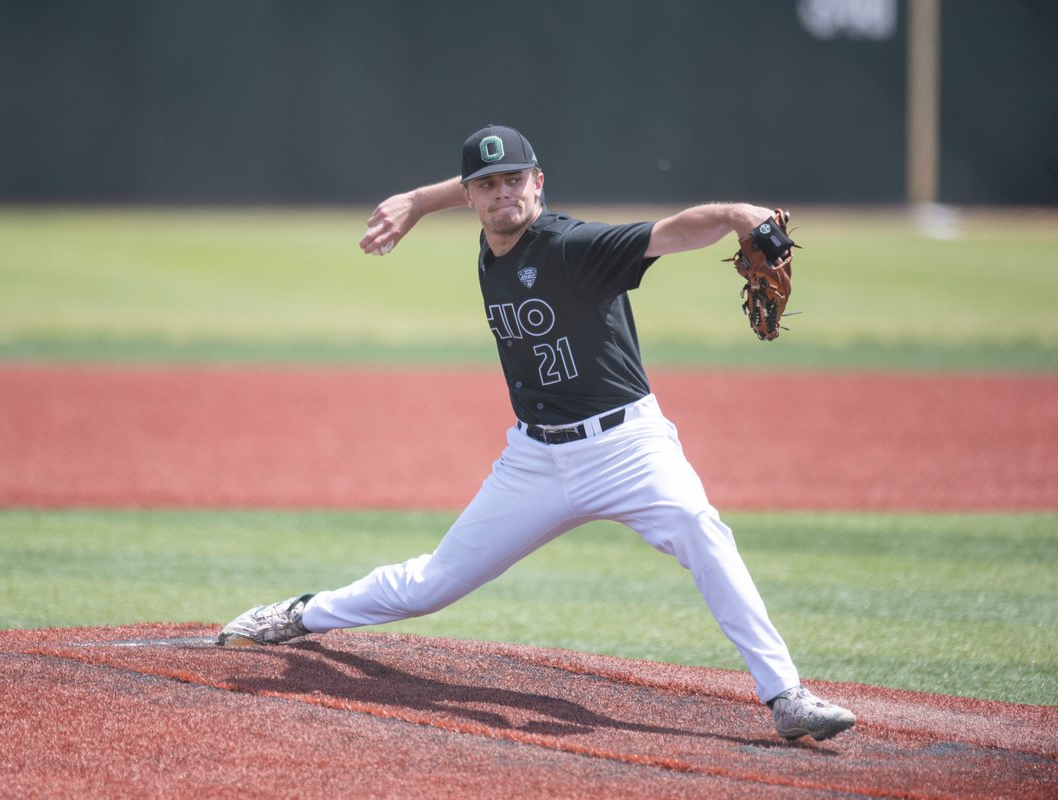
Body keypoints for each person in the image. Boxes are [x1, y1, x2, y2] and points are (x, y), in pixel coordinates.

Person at [217, 124, 856, 742]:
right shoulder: (493, 240)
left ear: (539, 183)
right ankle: (302, 614)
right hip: (533, 461)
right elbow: (472, 184)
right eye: (488, 184)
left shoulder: (570, 245)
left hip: (626, 449)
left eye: (515, 180)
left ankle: (786, 696)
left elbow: (672, 232)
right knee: (432, 585)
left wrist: (739, 213)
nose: (503, 193)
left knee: (701, 530)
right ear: (470, 197)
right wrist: (415, 200)